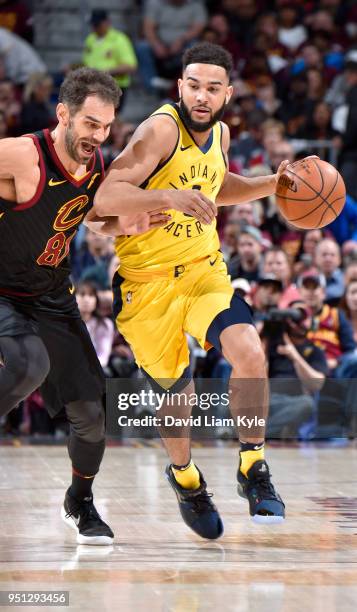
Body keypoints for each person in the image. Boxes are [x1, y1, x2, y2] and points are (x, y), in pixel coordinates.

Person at [90, 42, 314, 538]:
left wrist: (271, 184)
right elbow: (103, 197)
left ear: (227, 94)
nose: (202, 95)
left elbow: (216, 185)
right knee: (179, 394)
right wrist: (170, 196)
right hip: (146, 287)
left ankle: (253, 466)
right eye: (193, 85)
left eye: (213, 88)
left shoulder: (222, 134)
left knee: (249, 352)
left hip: (202, 270)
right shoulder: (160, 128)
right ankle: (186, 479)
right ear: (180, 87)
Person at [0, 67, 122, 545]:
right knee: (29, 364)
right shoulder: (22, 154)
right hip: (4, 290)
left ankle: (80, 501)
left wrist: (129, 224)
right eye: (91, 123)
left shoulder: (95, 167)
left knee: (92, 415)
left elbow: (89, 218)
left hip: (51, 294)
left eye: (107, 126)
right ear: (63, 114)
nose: (99, 135)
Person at [83, 9, 137, 106]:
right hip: (93, 85)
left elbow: (131, 66)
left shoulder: (119, 39)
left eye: (97, 25)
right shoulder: (90, 39)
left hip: (114, 86)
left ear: (107, 22)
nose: (95, 28)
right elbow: (86, 62)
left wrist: (106, 72)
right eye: (93, 25)